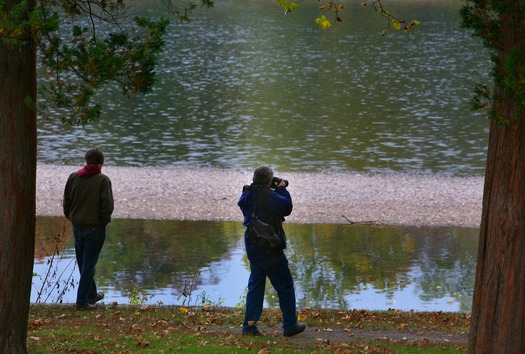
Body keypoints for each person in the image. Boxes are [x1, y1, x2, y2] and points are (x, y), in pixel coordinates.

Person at [238, 166, 306, 337]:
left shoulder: (248, 193)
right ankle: (290, 325)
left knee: (256, 287)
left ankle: (249, 327)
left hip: (254, 246)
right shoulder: (266, 195)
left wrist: (272, 188)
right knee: (285, 286)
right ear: (268, 181)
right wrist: (281, 188)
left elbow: (261, 208)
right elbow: (286, 208)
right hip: (269, 248)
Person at [63, 148, 114, 310]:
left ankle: (91, 294)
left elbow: (66, 202)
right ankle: (82, 302)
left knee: (83, 263)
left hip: (77, 226)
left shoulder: (74, 177)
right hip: (95, 228)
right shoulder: (102, 180)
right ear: (101, 163)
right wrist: (103, 222)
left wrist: (72, 217)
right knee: (88, 264)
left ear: (86, 161)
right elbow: (107, 206)